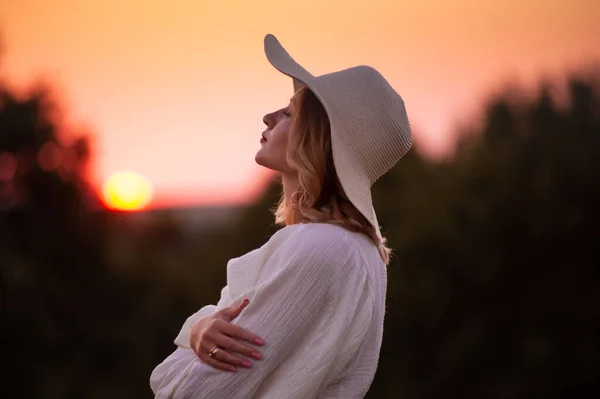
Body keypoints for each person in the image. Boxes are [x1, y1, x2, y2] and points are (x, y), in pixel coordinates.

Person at [150, 33, 412, 398]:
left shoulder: (320, 248)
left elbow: (187, 392)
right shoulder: (355, 250)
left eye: (290, 113)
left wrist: (194, 339)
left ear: (318, 139)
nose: (269, 116)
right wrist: (198, 331)